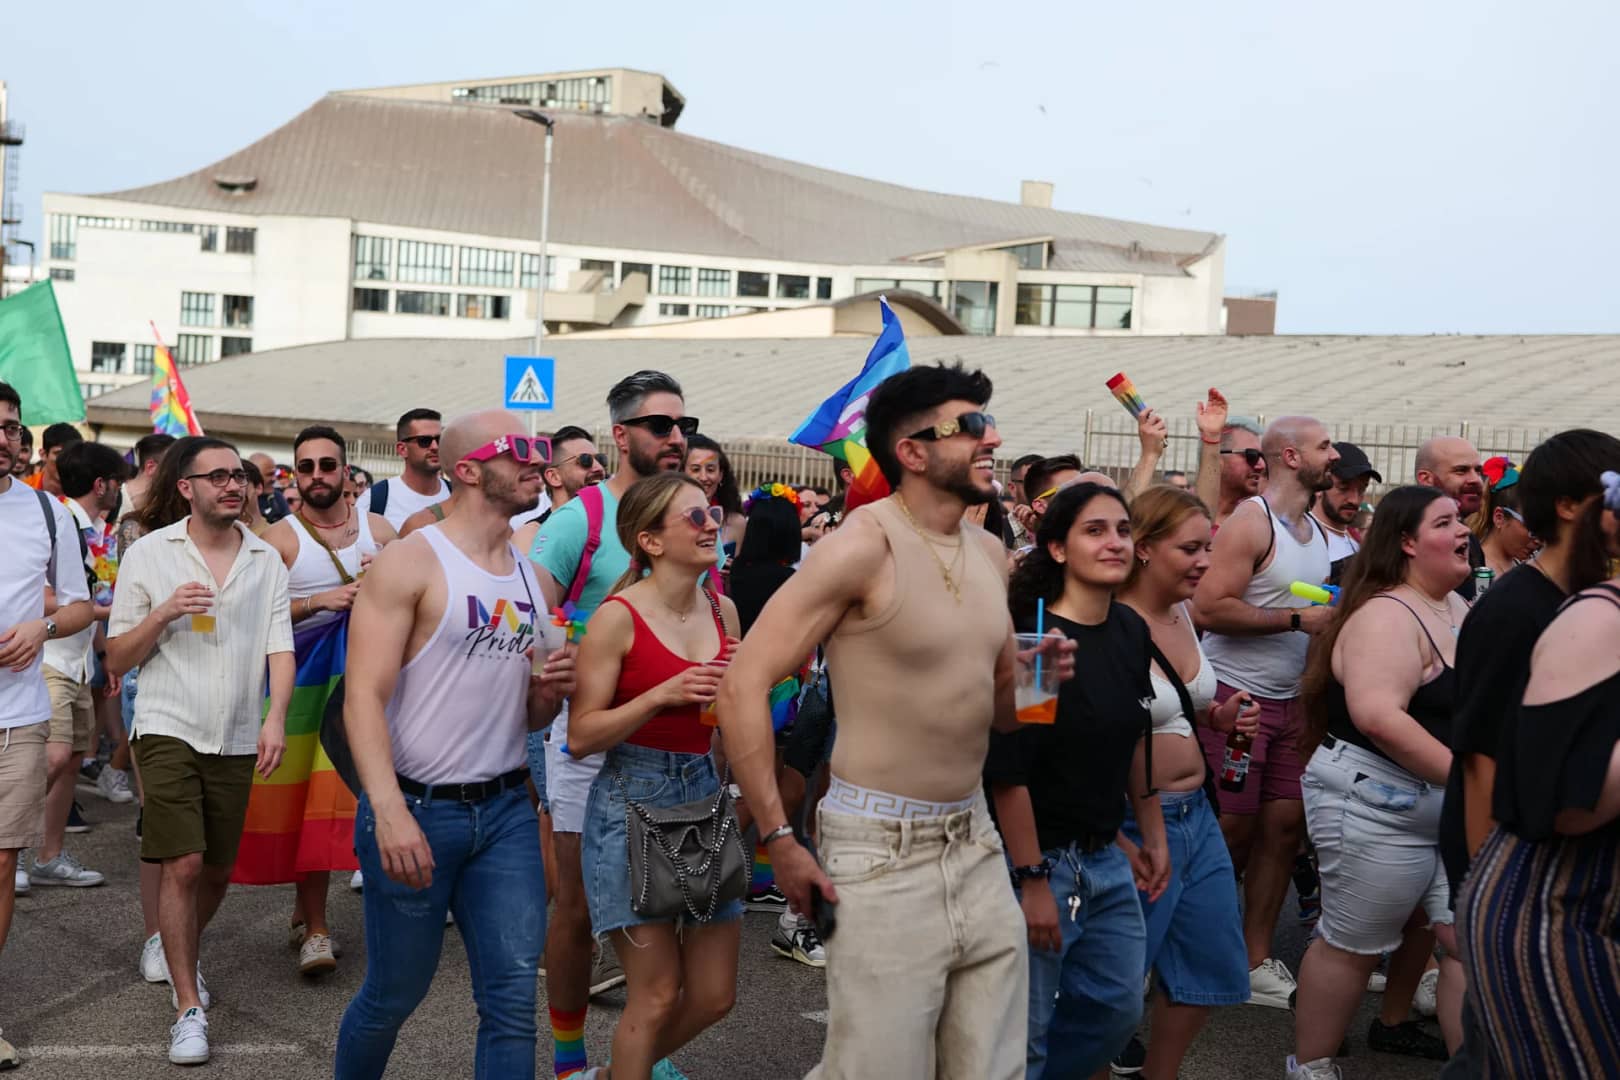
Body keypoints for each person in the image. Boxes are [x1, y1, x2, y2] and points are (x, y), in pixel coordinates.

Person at [717, 362, 1075, 1079]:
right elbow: (741, 684)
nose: (992, 437)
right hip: (878, 849)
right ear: (911, 451)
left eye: (988, 421)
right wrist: (781, 838)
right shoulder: (861, 546)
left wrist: (1044, 676)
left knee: (991, 1069)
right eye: (969, 425)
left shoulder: (991, 552)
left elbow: (1005, 714)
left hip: (975, 841)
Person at [334, 410, 570, 1080]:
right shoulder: (412, 561)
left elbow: (527, 715)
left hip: (505, 814)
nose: (536, 460)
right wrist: (389, 810)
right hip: (417, 808)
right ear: (467, 469)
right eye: (519, 450)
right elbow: (362, 699)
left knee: (512, 1002)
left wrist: (551, 691)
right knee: (393, 995)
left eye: (541, 449)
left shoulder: (530, 577)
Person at [1436, 429, 1620, 1079]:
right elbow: (1480, 756)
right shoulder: (1515, 609)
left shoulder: (1578, 603)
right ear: (1571, 506)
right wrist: (1481, 894)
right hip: (1519, 881)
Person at [106, 436, 294, 1066]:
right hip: (166, 723)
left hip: (239, 730)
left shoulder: (266, 558)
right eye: (216, 477)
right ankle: (188, 1007)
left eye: (238, 475)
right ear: (185, 487)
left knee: (216, 870)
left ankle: (172, 943)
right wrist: (162, 615)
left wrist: (277, 721)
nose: (232, 485)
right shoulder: (151, 554)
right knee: (183, 864)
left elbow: (280, 648)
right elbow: (116, 657)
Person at [530, 371, 694, 1079]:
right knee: (575, 907)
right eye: (661, 426)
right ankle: (570, 1062)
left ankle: (641, 1051)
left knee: (668, 905)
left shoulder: (692, 516)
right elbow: (529, 619)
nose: (677, 438)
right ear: (622, 436)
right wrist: (560, 658)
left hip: (672, 751)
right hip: (589, 743)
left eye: (683, 425)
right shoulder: (582, 520)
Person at [1286, 486, 1472, 1079]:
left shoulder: (1457, 607)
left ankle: (1478, 1066)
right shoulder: (1385, 614)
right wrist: (1474, 781)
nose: (1465, 529)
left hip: (1447, 807)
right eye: (1446, 522)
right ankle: (1311, 1069)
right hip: (1375, 802)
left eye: (1462, 518)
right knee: (1352, 945)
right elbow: (1377, 715)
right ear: (1408, 543)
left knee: (1465, 941)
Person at [564, 472, 743, 1080]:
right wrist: (658, 695)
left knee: (716, 994)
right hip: (630, 799)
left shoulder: (724, 608)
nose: (712, 524)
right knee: (657, 992)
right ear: (651, 541)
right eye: (694, 517)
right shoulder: (616, 618)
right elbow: (580, 735)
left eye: (712, 512)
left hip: (703, 791)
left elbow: (729, 721)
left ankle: (613, 1076)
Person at [993, 482, 1169, 1078]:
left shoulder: (1128, 630)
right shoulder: (1038, 642)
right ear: (1058, 549)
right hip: (1036, 859)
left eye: (1122, 529)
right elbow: (1009, 770)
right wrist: (1032, 877)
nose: (1115, 542)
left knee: (1117, 1013)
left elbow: (1125, 741)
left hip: (1104, 857)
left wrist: (1135, 837)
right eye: (1095, 531)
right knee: (1023, 1033)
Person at [236, 425, 396, 976]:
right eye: (306, 467)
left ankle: (334, 920)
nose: (317, 476)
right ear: (294, 475)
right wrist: (318, 601)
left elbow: (415, 605)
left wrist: (388, 582)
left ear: (347, 472)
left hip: (370, 687)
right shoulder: (279, 539)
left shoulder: (381, 532)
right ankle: (318, 927)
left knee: (362, 804)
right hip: (302, 690)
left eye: (328, 466)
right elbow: (254, 619)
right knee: (310, 808)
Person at [1192, 417, 1337, 1009]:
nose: (1333, 454)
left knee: (1282, 830)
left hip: (1294, 701)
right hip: (1237, 697)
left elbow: (1305, 598)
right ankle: (1194, 949)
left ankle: (1254, 960)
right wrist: (1297, 621)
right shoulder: (1254, 521)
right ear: (1291, 455)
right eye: (1324, 446)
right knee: (1230, 832)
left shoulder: (1317, 530)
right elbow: (1206, 606)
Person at [1113, 485, 1259, 1080]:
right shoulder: (1110, 623)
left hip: (1197, 814)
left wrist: (1218, 717)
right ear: (1143, 548)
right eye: (1190, 548)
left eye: (1209, 547)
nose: (1205, 561)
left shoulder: (1183, 611)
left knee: (1210, 965)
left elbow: (1178, 704)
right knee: (1115, 982)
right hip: (1135, 822)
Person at [0, 383, 94, 1069]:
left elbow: (85, 607)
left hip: (20, 719)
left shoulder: (46, 511)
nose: (2, 438)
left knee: (2, 863)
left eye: (10, 428)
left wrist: (43, 624)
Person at [728, 483, 826, 967]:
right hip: (783, 691)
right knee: (772, 787)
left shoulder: (732, 574)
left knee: (755, 782)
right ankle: (712, 863)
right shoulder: (790, 581)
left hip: (740, 690)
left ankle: (758, 881)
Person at [30, 441, 130, 890]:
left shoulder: (92, 527)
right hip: (47, 657)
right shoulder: (60, 518)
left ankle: (48, 856)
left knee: (70, 760)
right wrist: (103, 612)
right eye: (117, 483)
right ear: (101, 484)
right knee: (48, 758)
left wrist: (104, 653)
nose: (120, 491)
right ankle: (8, 852)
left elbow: (83, 596)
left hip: (78, 659)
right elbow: (42, 592)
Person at [511, 425, 605, 554]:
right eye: (585, 460)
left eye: (600, 459)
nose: (599, 468)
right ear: (554, 477)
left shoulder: (617, 526)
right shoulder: (531, 537)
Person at [1414, 436, 1485, 599]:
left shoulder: (1469, 539)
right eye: (1461, 470)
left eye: (1478, 471)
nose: (1475, 479)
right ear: (1426, 479)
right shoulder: (1404, 535)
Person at [357, 408, 450, 531]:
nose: (435, 447)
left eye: (439, 439)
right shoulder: (374, 500)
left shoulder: (458, 496)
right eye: (424, 441)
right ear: (402, 449)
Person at [1312, 442, 1381, 583]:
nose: (1355, 500)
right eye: (1344, 487)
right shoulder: (1303, 538)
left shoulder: (1356, 540)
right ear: (1319, 486)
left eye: (1362, 489)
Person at [683, 432, 746, 557]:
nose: (704, 477)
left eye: (710, 470)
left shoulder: (736, 523)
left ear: (721, 475)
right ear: (680, 472)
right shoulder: (668, 519)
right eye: (695, 469)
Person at [1473, 457, 1534, 578]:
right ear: (1499, 518)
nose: (1538, 539)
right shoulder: (1475, 572)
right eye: (1531, 526)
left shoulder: (1524, 567)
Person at [1215, 418, 1267, 529]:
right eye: (1251, 455)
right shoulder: (1182, 513)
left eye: (1263, 457)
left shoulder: (1260, 521)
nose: (1262, 465)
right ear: (1217, 458)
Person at [23, 422, 83, 496]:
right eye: (59, 453)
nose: (66, 461)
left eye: (72, 454)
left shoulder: (86, 495)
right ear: (43, 454)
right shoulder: (23, 490)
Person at [125, 433, 177, 516]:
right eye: (173, 466)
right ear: (151, 467)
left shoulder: (165, 511)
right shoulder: (110, 500)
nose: (179, 472)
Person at [247, 453, 291, 525]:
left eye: (274, 474)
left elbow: (289, 526)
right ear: (254, 476)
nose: (274, 479)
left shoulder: (278, 497)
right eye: (269, 474)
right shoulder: (242, 500)